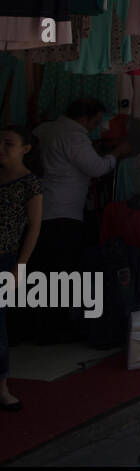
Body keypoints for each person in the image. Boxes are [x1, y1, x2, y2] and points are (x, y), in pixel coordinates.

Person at [31, 98, 129, 342]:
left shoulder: (44, 129)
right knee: (61, 272)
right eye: (95, 121)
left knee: (41, 271)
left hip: (40, 209)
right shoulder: (74, 136)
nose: (95, 126)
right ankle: (56, 329)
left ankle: (37, 326)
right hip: (64, 211)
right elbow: (96, 168)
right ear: (84, 118)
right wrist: (116, 154)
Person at [0, 126, 41, 411]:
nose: (2, 148)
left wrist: (20, 266)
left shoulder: (30, 183)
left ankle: (1, 386)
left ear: (25, 149)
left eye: (9, 143)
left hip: (4, 258)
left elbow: (34, 228)